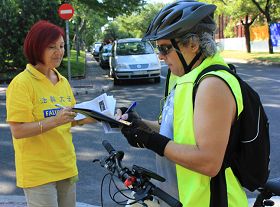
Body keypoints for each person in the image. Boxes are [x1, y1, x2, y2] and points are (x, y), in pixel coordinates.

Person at [116, 1, 248, 206]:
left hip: (211, 200)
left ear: (193, 45)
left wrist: (151, 141)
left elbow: (209, 162)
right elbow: (178, 133)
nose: (160, 56)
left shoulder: (213, 84)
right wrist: (139, 124)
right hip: (179, 197)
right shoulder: (184, 78)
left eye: (165, 48)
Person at [6, 20, 95, 207]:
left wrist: (96, 117)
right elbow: (18, 131)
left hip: (65, 166)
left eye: (62, 46)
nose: (59, 52)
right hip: (38, 172)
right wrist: (54, 121)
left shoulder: (62, 81)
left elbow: (70, 120)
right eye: (52, 47)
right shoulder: (22, 83)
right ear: (37, 48)